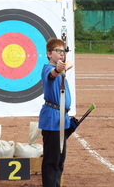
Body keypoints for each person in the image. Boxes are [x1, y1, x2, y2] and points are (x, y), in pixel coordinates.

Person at [38, 38, 75, 187]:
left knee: (60, 159)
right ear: (48, 54)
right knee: (52, 160)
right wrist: (59, 69)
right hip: (52, 118)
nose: (61, 54)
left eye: (63, 51)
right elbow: (52, 74)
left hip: (62, 118)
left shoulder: (63, 68)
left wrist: (64, 67)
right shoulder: (47, 69)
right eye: (57, 51)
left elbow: (70, 63)